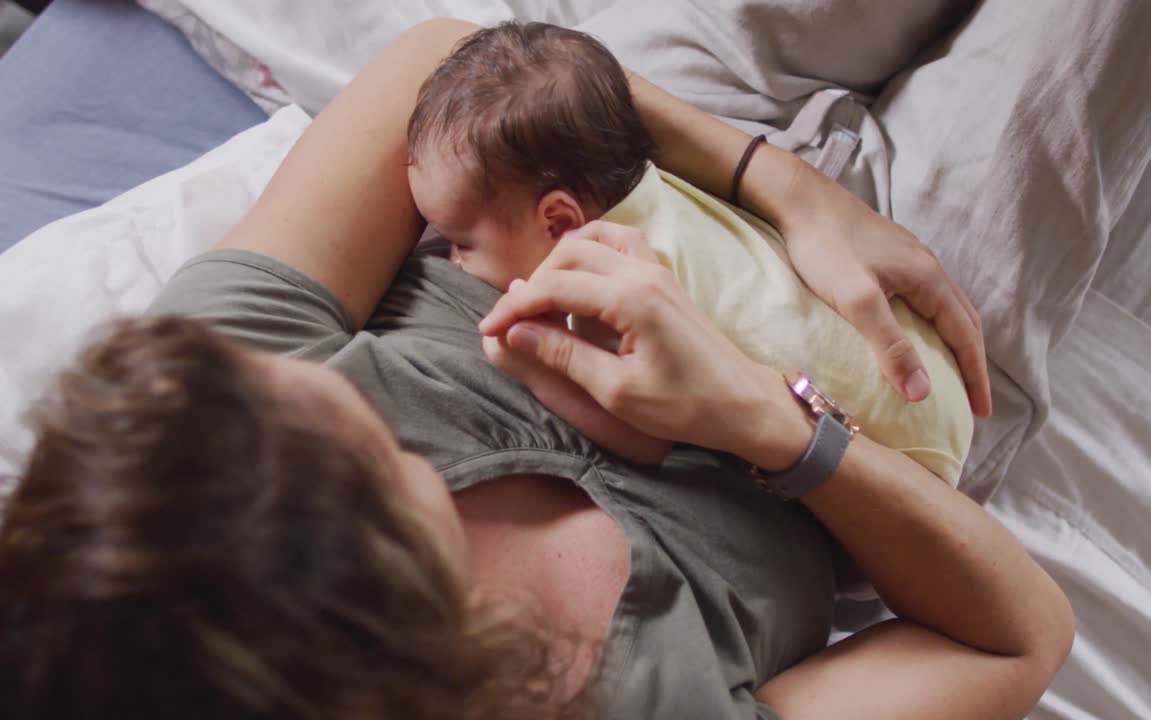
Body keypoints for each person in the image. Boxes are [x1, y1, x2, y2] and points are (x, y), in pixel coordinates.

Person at [0, 17, 1069, 720]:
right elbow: (1014, 641)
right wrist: (769, 423)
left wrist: (781, 185)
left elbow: (442, 64)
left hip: (617, 155)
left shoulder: (195, 415)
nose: (298, 383)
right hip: (890, 404)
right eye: (351, 438)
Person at [406, 22, 971, 481]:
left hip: (897, 455)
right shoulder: (657, 180)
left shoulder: (602, 285)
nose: (454, 261)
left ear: (558, 221)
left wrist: (531, 368)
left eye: (462, 243)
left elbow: (644, 436)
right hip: (927, 365)